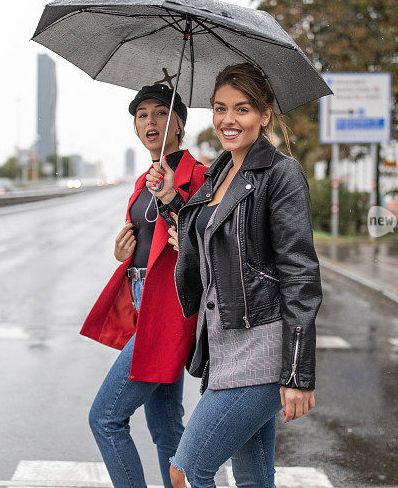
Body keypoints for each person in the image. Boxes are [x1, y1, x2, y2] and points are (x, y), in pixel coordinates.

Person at [148, 63, 322, 487]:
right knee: (253, 478)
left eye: (242, 109)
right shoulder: (219, 174)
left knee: (186, 470)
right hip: (222, 350)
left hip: (262, 350)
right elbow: (202, 245)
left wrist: (297, 375)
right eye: (220, 108)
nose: (228, 119)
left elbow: (300, 273)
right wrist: (171, 199)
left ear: (264, 115)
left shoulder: (280, 174)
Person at [80, 84, 207, 487]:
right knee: (167, 431)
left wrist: (175, 195)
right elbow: (145, 245)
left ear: (180, 126)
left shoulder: (199, 177)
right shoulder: (141, 182)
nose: (151, 122)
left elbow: (201, 238)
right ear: (135, 128)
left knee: (105, 418)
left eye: (160, 114)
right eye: (142, 115)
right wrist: (124, 255)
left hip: (169, 310)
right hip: (142, 302)